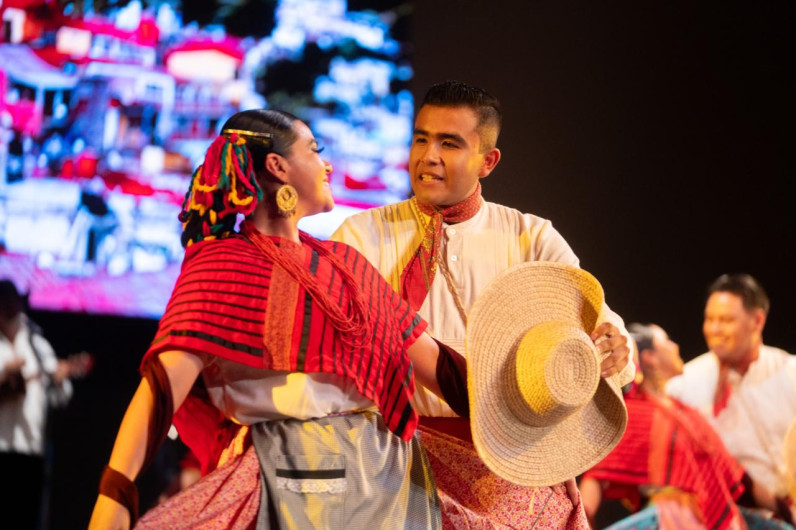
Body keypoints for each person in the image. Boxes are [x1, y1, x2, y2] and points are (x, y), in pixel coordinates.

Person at [88, 109, 471, 529]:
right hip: (281, 476)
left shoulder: (346, 266)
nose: (326, 164)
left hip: (382, 480)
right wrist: (115, 493)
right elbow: (160, 389)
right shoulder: (222, 264)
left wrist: (520, 415)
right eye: (314, 150)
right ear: (277, 166)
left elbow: (437, 366)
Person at [331, 80, 634, 528]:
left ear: (487, 161)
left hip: (511, 470)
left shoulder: (531, 237)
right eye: (421, 138)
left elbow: (599, 327)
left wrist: (614, 347)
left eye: (449, 143)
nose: (428, 156)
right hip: (393, 462)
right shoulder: (359, 237)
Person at [580, 323, 795, 530]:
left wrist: (786, 510)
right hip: (669, 520)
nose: (676, 346)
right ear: (650, 358)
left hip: (712, 513)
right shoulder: (636, 412)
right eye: (666, 341)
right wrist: (583, 520)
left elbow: (734, 473)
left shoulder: (687, 413)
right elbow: (597, 475)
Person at [667, 274, 796, 506]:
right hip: (725, 517)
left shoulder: (790, 372)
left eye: (726, 320)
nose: (715, 329)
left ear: (757, 321)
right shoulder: (683, 386)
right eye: (710, 319)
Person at [0, 280, 74, 529]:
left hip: (30, 452)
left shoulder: (36, 344)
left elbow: (58, 396)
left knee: (26, 519)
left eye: (13, 301)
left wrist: (60, 380)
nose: (11, 307)